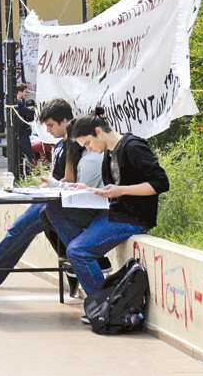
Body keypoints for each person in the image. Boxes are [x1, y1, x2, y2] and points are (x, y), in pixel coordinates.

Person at [48, 106, 169, 310]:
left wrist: (122, 191)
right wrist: (86, 189)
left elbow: (161, 183)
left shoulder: (133, 147)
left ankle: (105, 306)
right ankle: (96, 259)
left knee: (77, 250)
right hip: (111, 212)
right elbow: (113, 189)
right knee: (53, 209)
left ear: (98, 132)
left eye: (87, 143)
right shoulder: (108, 153)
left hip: (131, 218)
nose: (88, 149)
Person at [0, 99, 103, 289]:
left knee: (19, 230)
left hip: (60, 200)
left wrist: (52, 184)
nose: (49, 130)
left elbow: (70, 180)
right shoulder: (61, 144)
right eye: (47, 126)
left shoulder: (74, 143)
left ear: (65, 121)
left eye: (51, 125)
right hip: (52, 196)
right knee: (18, 231)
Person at [14, 83, 37, 174]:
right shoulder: (17, 104)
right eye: (25, 91)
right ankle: (27, 175)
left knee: (23, 157)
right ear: (19, 92)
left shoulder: (19, 103)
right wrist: (34, 110)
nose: (26, 93)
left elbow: (29, 117)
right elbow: (28, 113)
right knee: (29, 156)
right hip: (22, 134)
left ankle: (23, 176)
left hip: (23, 134)